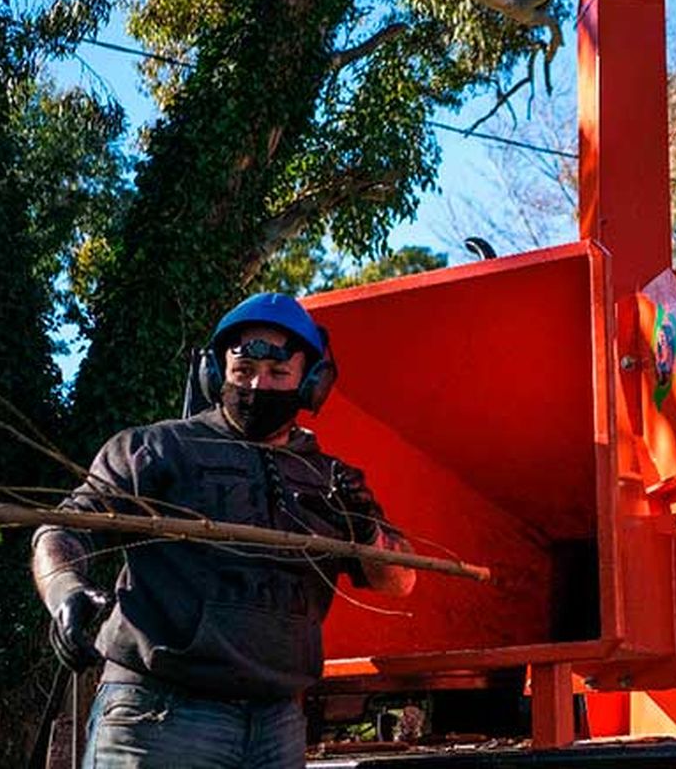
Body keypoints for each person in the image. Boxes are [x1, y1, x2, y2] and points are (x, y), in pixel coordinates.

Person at [31, 292, 415, 768]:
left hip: (277, 724)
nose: (257, 385)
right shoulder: (155, 448)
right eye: (243, 371)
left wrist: (363, 530)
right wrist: (63, 589)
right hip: (159, 716)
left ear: (312, 383)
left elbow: (400, 580)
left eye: (278, 374)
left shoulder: (331, 479)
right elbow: (62, 531)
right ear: (215, 372)